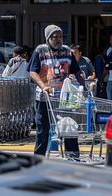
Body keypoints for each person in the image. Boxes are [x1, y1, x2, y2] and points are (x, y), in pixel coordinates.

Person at [28, 24, 85, 156]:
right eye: (55, 37)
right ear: (48, 38)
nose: (59, 39)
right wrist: (43, 86)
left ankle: (73, 156)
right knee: (43, 130)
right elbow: (32, 72)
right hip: (44, 98)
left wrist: (84, 87)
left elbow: (77, 71)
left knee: (69, 127)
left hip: (64, 98)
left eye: (60, 36)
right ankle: (39, 158)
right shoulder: (40, 50)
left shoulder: (67, 51)